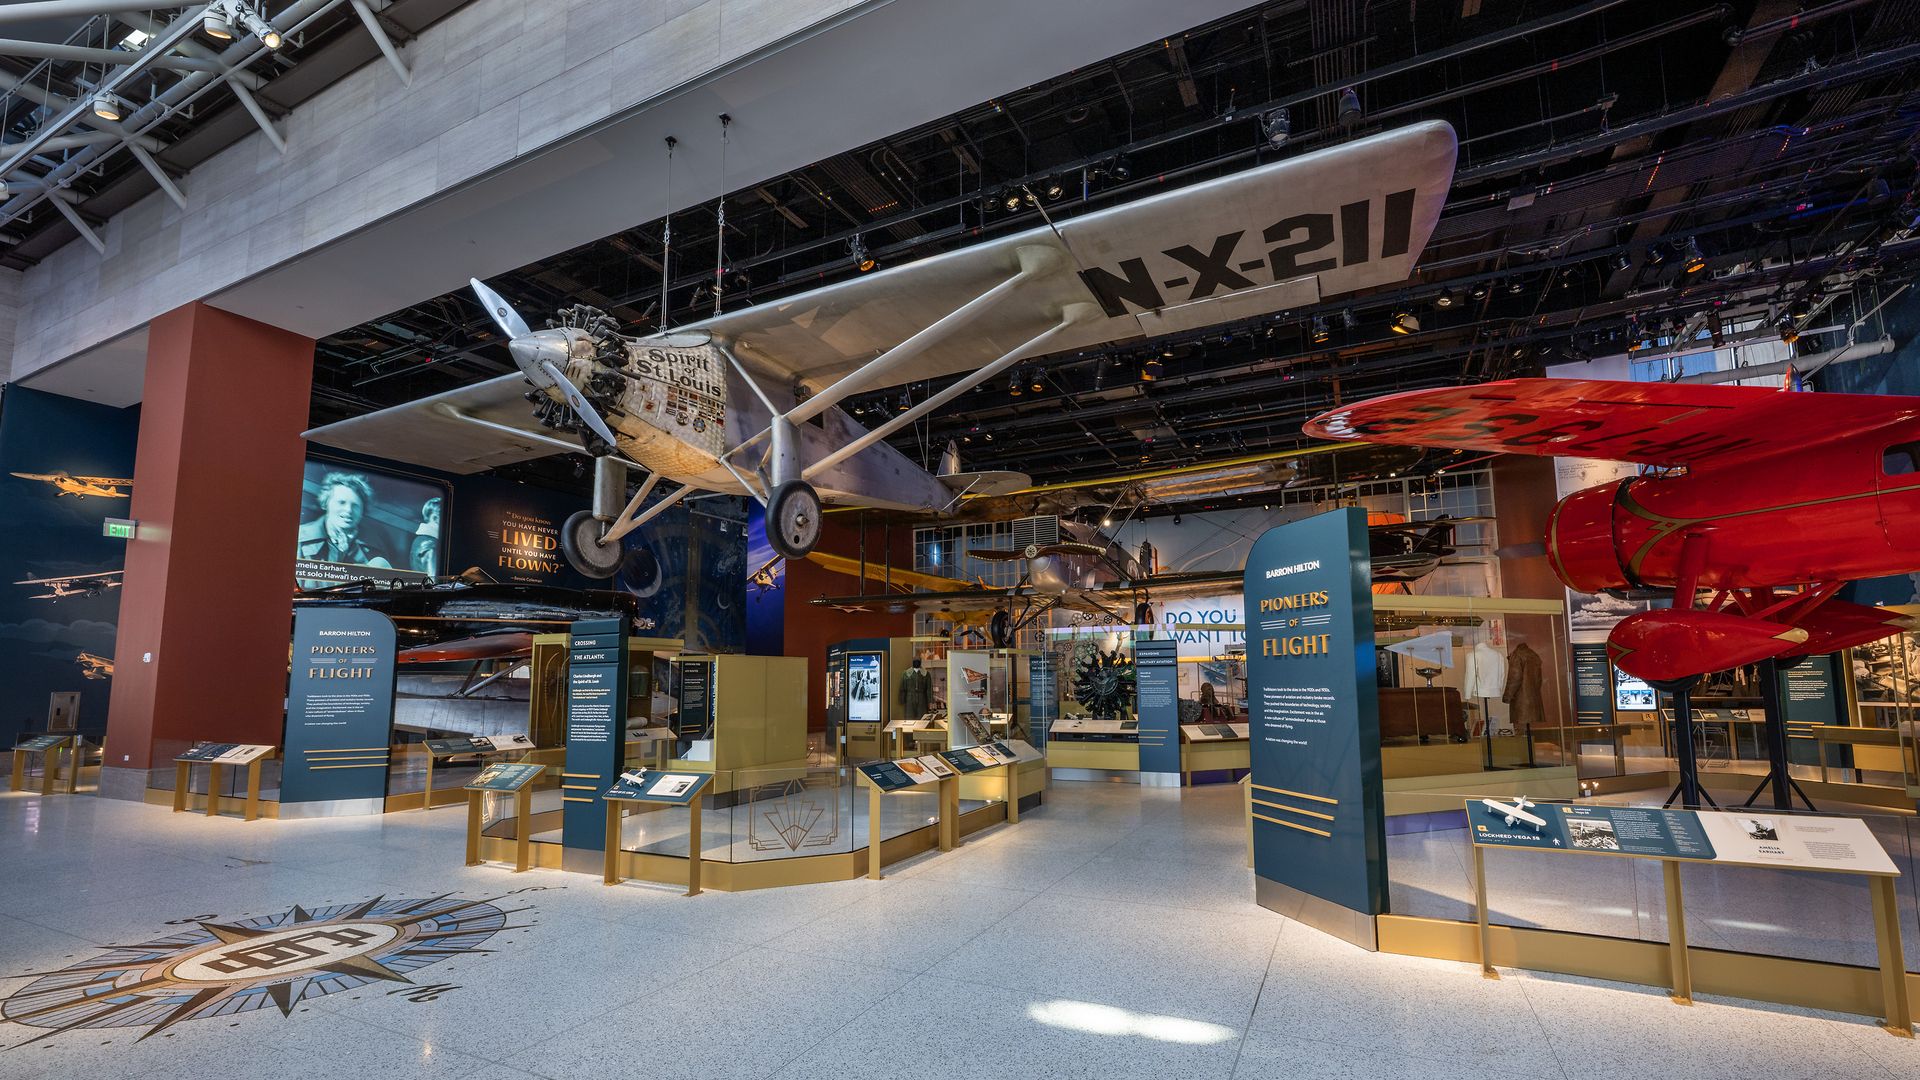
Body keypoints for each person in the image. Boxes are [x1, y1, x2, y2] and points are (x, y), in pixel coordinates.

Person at [296, 472, 392, 573]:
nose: (348, 510)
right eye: (341, 502)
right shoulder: (299, 539)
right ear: (325, 503)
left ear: (362, 511)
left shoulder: (375, 552)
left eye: (355, 505)